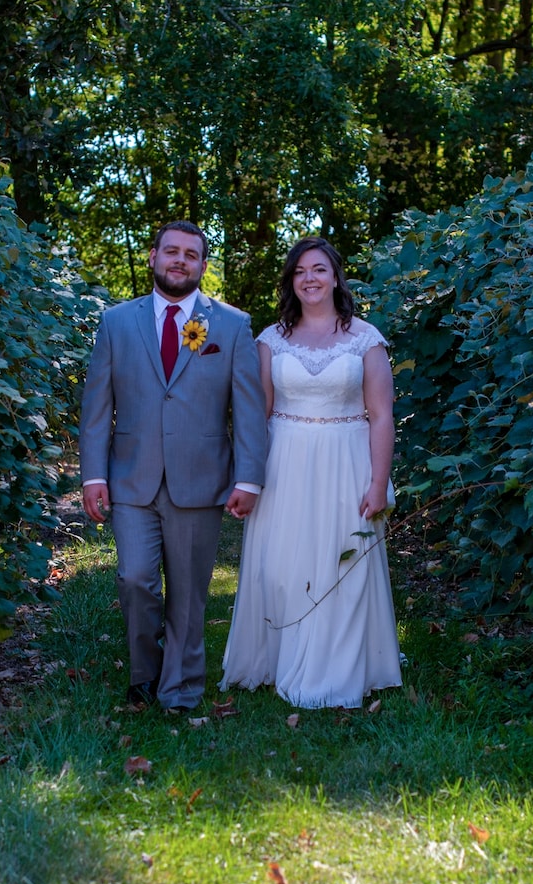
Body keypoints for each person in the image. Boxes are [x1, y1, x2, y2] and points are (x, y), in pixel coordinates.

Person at [79, 221, 268, 712]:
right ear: (153, 257)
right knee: (134, 578)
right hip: (131, 479)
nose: (180, 260)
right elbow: (97, 406)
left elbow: (247, 409)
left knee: (188, 593)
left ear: (203, 265)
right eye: (171, 252)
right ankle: (145, 674)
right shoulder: (117, 322)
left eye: (191, 254)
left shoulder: (230, 325)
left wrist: (248, 477)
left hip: (200, 478)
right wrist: (93, 475)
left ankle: (181, 688)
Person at [221, 237, 402, 708]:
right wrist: (249, 477)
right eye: (300, 271)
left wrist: (378, 482)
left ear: (336, 276)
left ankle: (336, 671)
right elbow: (257, 412)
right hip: (284, 461)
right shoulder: (270, 340)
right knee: (280, 566)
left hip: (346, 461)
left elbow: (381, 415)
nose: (310, 279)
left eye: (319, 269)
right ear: (290, 280)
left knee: (340, 562)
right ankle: (278, 658)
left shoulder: (366, 337)